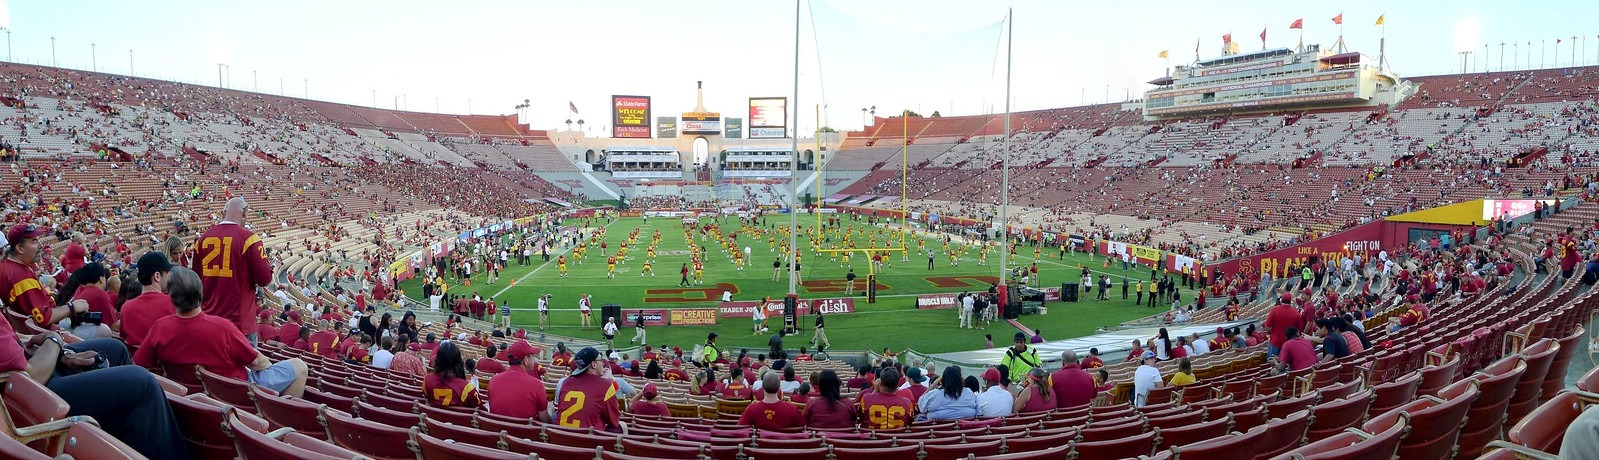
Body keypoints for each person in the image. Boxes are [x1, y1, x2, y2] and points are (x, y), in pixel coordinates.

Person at [0, 305, 190, 459]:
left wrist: (61, 354)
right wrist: (55, 341)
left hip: (25, 377)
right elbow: (29, 374)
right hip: (25, 394)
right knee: (142, 383)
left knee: (114, 348)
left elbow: (16, 345)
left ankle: (125, 448)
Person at [134, 267, 308, 398]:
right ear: (201, 294)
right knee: (299, 366)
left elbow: (139, 364)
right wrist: (269, 365)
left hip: (196, 395)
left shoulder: (160, 327)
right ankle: (281, 416)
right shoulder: (222, 327)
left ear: (170, 297)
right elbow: (256, 363)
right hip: (237, 393)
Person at [191, 197, 274, 344]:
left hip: (209, 319)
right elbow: (265, 279)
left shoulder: (202, 239)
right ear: (244, 213)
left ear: (223, 213)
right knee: (245, 366)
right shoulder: (250, 239)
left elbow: (195, 279)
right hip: (240, 323)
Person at [2, 224, 92, 331]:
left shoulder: (6, 265)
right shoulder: (22, 277)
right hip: (43, 333)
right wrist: (72, 307)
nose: (41, 245)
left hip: (29, 329)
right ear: (20, 248)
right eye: (34, 241)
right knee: (104, 332)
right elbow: (43, 318)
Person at [554, 347, 622, 431]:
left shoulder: (566, 382)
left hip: (560, 435)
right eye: (601, 360)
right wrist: (609, 380)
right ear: (594, 364)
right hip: (588, 439)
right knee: (622, 426)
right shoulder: (606, 385)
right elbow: (613, 420)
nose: (603, 363)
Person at [120, 252, 178, 349]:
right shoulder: (173, 303)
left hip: (135, 362)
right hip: (164, 362)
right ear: (157, 276)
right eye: (167, 273)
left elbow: (124, 337)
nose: (168, 276)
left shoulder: (126, 307)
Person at [487, 341, 550, 420]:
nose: (534, 359)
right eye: (532, 356)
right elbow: (544, 419)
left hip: (497, 430)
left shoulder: (494, 380)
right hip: (525, 431)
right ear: (526, 359)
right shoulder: (537, 385)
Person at [55, 263, 118, 339]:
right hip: (88, 337)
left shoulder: (80, 289)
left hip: (76, 331)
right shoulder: (100, 294)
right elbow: (114, 326)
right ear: (101, 278)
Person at [739, 371, 805, 430]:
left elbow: (740, 430)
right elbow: (803, 428)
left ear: (762, 386)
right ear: (779, 386)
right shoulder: (792, 409)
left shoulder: (751, 409)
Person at [424, 341, 481, 408]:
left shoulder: (427, 380)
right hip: (459, 418)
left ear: (438, 360)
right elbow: (480, 411)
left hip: (433, 417)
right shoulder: (467, 388)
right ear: (459, 361)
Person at [1265, 293, 1301, 358]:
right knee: (1286, 363)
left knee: (1271, 363)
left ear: (1281, 300)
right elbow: (1298, 331)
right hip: (1289, 343)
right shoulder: (1296, 313)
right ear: (1290, 302)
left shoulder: (1274, 310)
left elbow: (1267, 326)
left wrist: (1271, 332)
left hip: (1275, 341)